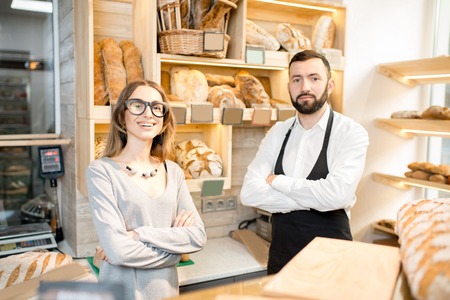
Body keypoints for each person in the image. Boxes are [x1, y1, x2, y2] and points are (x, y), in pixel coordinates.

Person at [240, 50, 369, 275]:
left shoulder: (351, 133)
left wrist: (278, 181)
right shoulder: (278, 132)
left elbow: (337, 195)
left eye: (314, 78)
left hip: (332, 264)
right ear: (289, 86)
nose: (304, 87)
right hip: (283, 259)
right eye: (296, 79)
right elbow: (249, 193)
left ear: (330, 85)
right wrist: (318, 201)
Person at [86, 80, 207, 300]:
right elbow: (118, 251)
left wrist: (138, 234)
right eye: (137, 105)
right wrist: (175, 251)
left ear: (164, 119)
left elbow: (198, 236)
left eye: (156, 107)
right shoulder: (101, 171)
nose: (148, 113)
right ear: (122, 114)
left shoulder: (174, 171)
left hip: (166, 293)